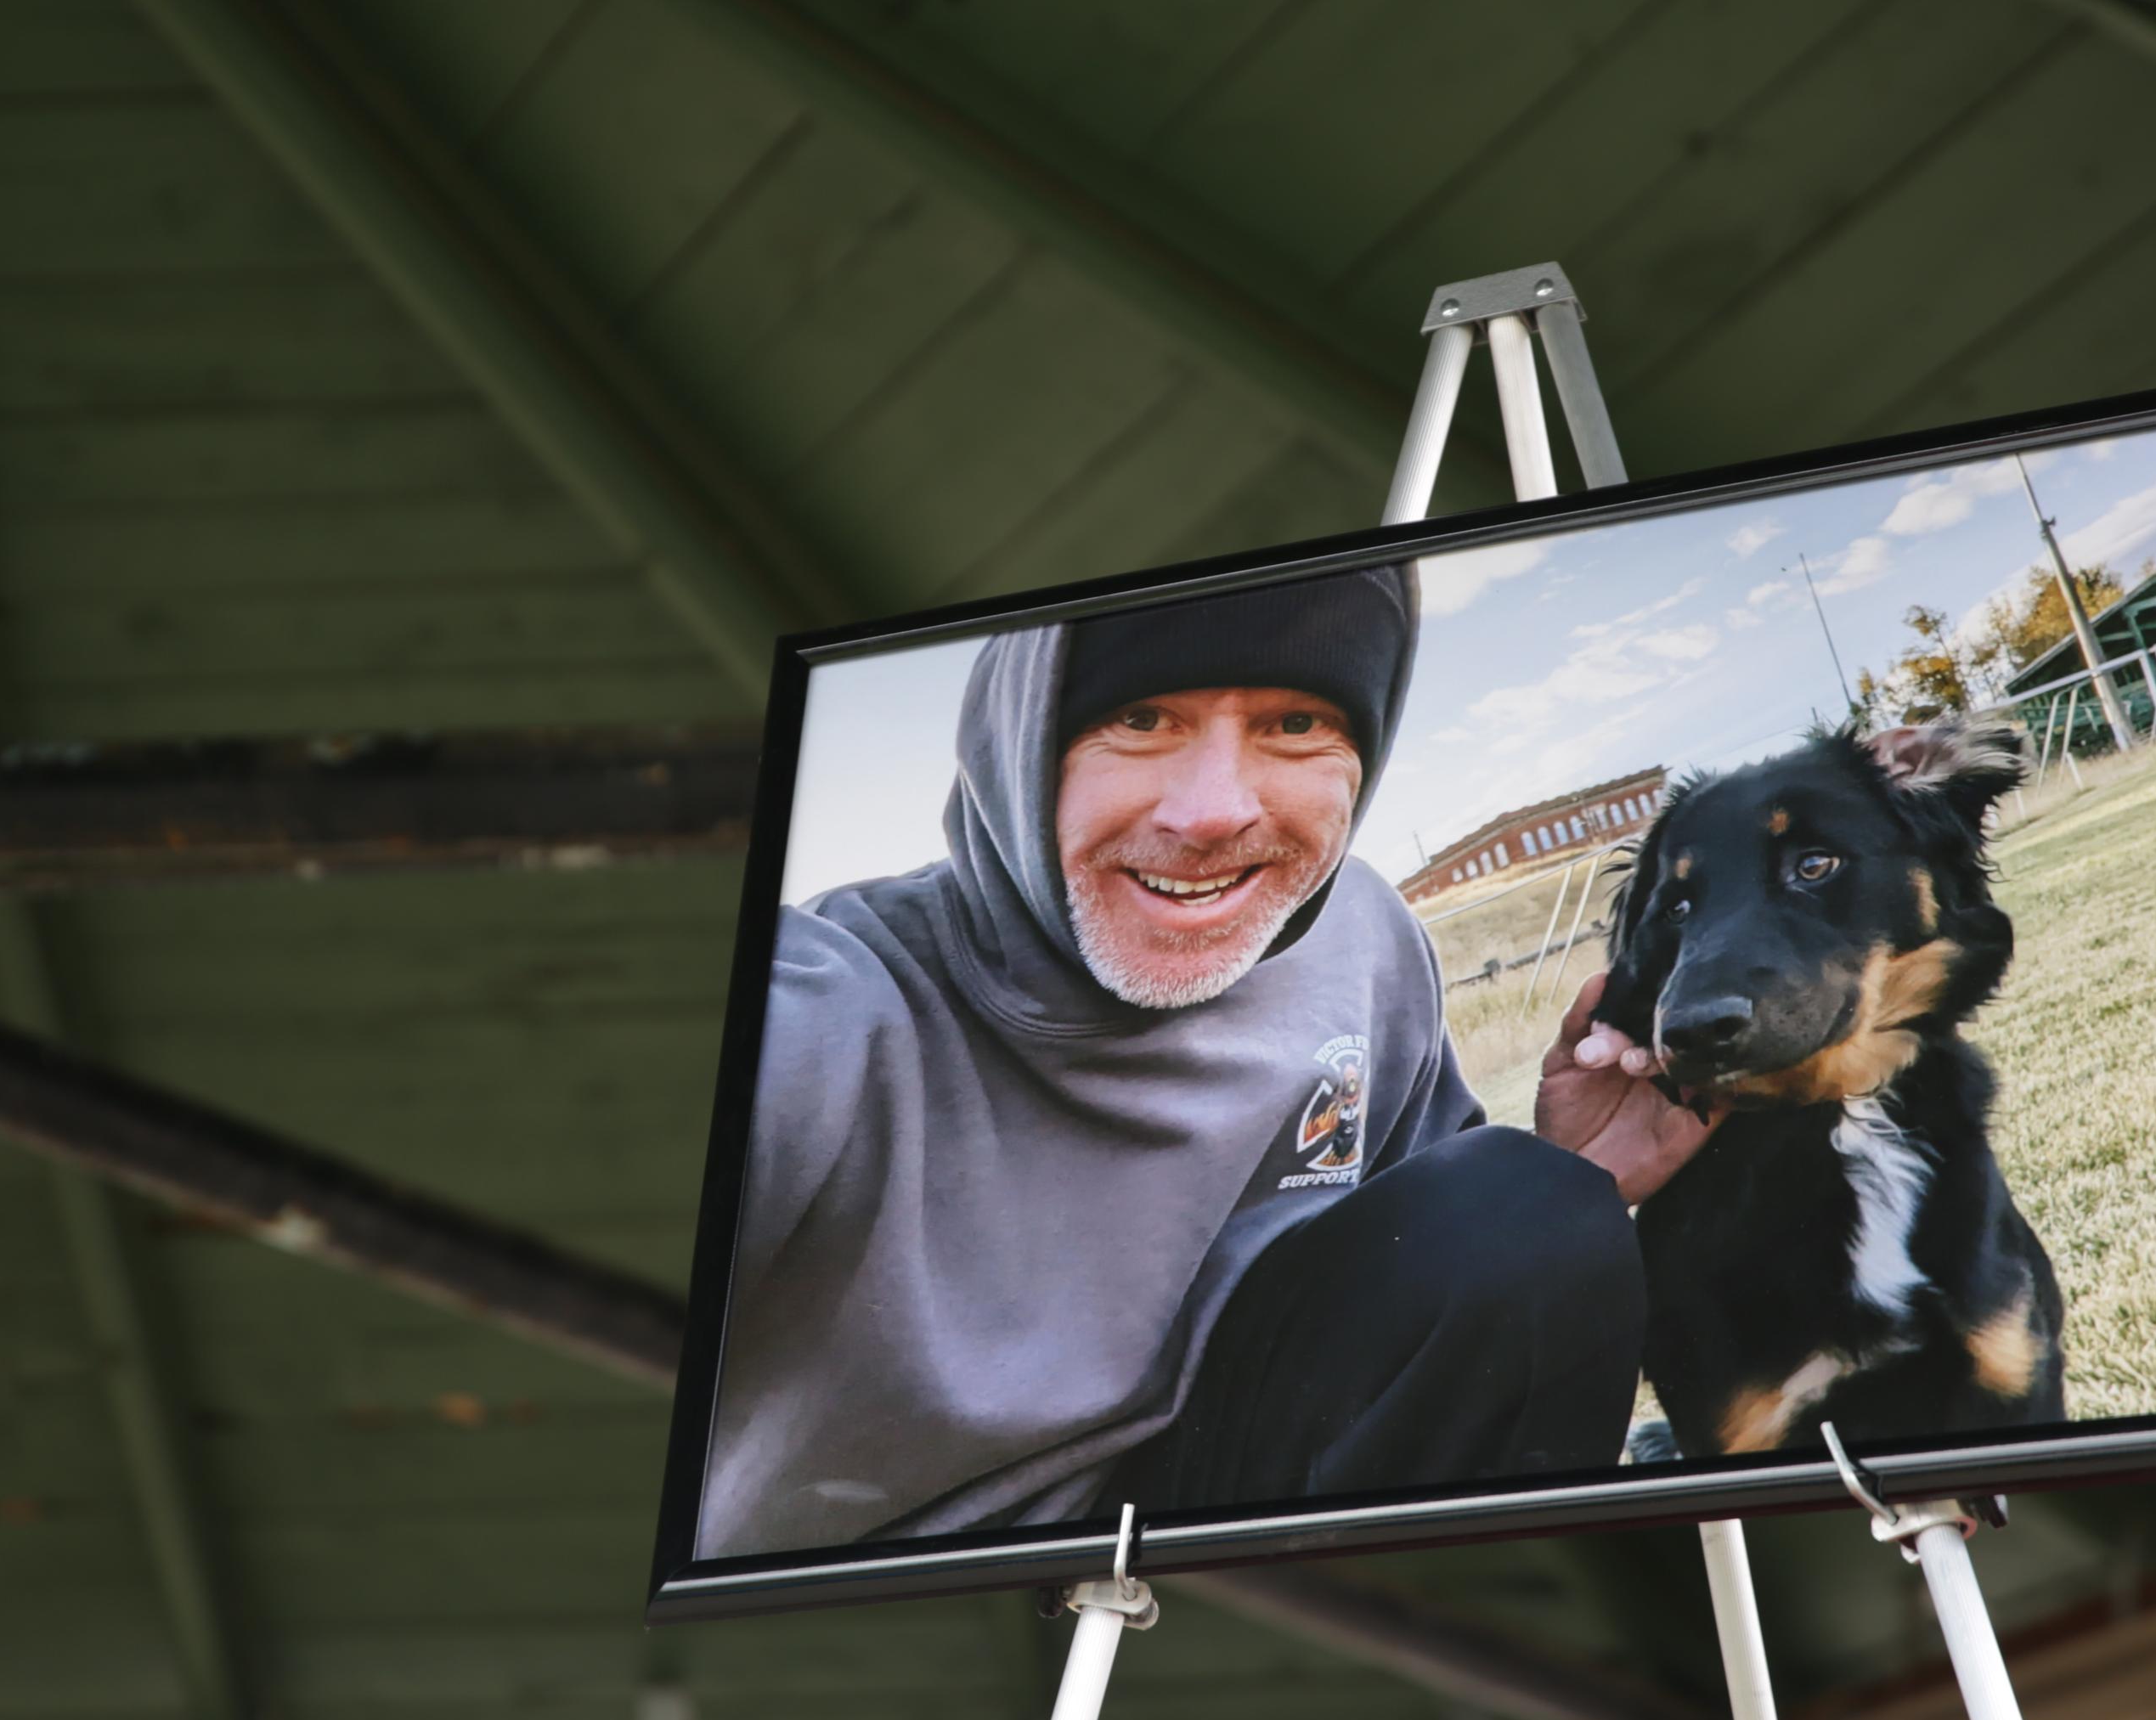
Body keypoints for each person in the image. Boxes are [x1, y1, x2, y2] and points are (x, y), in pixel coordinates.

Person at [697, 566, 1713, 1560]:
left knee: (1528, 1210)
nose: (1214, 811)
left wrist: (1569, 1173)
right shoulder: (829, 1002)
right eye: (1139, 719)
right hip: (919, 1618)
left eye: (1297, 723)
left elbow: (1419, 1272)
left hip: (1215, 1543)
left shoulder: (1360, 937)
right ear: (1019, 743)